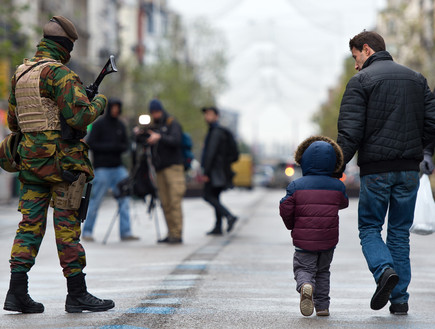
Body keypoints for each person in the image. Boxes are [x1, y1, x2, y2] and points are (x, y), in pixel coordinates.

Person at [2, 16, 114, 313]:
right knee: (66, 228)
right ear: (65, 46)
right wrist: (99, 102)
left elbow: (14, 122)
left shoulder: (20, 74)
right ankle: (76, 293)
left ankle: (17, 292)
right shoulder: (60, 74)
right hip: (62, 165)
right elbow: (80, 117)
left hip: (30, 163)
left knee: (29, 227)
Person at [337, 31, 435, 315]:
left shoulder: (360, 82)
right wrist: (422, 152)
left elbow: (350, 134)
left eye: (355, 57)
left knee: (369, 228)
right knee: (399, 235)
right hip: (408, 172)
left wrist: (336, 168)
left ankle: (383, 272)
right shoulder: (417, 80)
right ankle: (400, 299)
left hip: (376, 171)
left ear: (366, 50)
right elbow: (431, 123)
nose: (355, 65)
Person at [279, 136, 348, 317]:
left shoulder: (296, 186)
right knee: (323, 271)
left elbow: (285, 207)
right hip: (328, 240)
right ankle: (323, 307)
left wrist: (291, 225)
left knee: (303, 268)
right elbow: (344, 203)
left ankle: (305, 285)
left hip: (304, 241)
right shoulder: (337, 186)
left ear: (304, 161)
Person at [81, 98, 139, 242]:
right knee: (96, 200)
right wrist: (110, 147)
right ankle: (87, 231)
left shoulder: (120, 125)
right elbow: (92, 143)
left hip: (118, 167)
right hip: (102, 168)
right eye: (113, 107)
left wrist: (116, 147)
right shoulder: (99, 125)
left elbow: (125, 145)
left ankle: (126, 232)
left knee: (124, 199)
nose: (115, 110)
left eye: (117, 107)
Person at [145, 99, 186, 244]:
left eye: (157, 112)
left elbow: (176, 141)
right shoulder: (153, 126)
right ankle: (170, 233)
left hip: (174, 167)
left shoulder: (171, 123)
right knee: (165, 203)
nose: (155, 115)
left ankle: (177, 234)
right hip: (160, 169)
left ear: (161, 110)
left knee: (174, 201)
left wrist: (160, 137)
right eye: (153, 112)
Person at [200, 106, 238, 235]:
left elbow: (210, 153)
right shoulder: (218, 131)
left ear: (216, 116)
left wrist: (206, 172)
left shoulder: (215, 132)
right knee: (215, 196)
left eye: (210, 114)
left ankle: (229, 216)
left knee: (208, 196)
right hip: (220, 171)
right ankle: (218, 226)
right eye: (206, 114)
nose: (207, 117)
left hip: (214, 171)